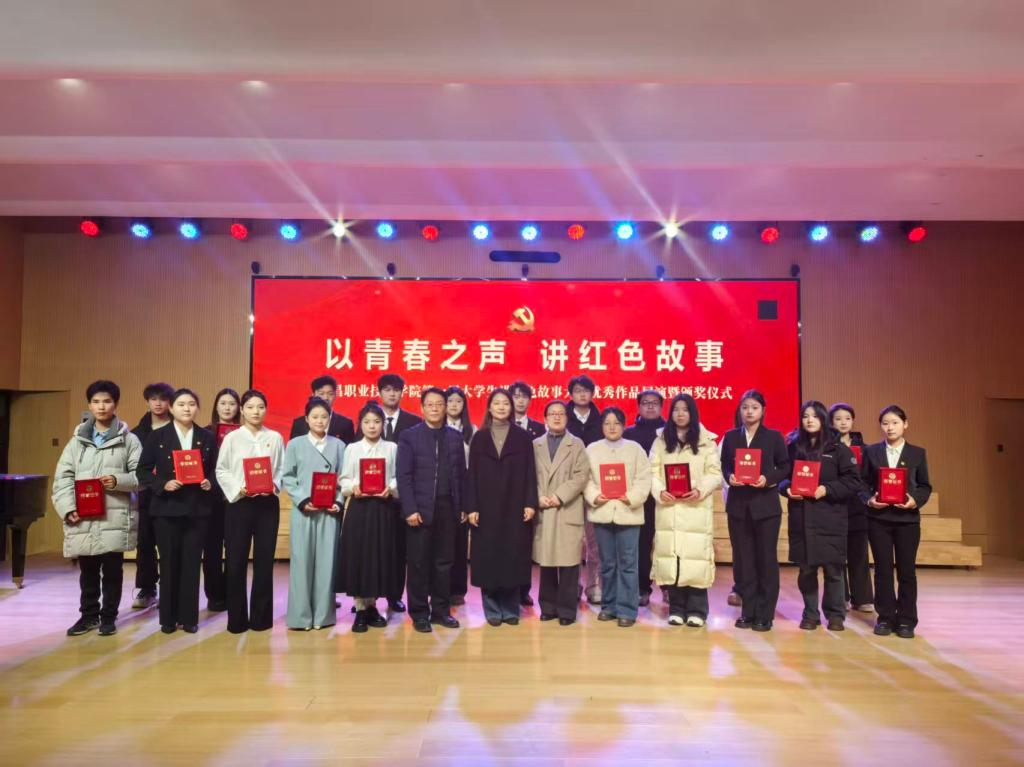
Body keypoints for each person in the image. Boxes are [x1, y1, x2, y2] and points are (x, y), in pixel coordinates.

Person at [52, 381, 142, 636]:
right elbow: (63, 478)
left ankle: (108, 618)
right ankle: (88, 616)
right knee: (88, 571)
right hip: (84, 516)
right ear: (89, 405)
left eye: (107, 401)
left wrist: (117, 480)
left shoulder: (130, 440)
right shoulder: (77, 442)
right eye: (96, 401)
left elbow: (142, 477)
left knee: (112, 571)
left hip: (114, 515)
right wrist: (68, 508)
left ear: (116, 404)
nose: (101, 406)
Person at [136, 388, 215, 634]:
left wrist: (210, 482)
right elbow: (142, 470)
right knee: (169, 563)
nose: (186, 408)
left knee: (191, 564)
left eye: (191, 404)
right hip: (166, 510)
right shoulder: (157, 436)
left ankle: (189, 617)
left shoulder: (206, 437)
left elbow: (217, 469)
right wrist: (163, 484)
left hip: (197, 509)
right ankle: (168, 619)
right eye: (181, 404)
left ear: (197, 408)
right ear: (172, 408)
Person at [780, 401, 860, 632]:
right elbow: (782, 476)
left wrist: (827, 489)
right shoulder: (793, 448)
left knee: (834, 569)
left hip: (831, 517)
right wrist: (787, 489)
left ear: (823, 419)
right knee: (806, 569)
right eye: (805, 416)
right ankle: (810, 613)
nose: (809, 420)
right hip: (802, 517)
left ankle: (835, 615)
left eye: (815, 416)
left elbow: (853, 481)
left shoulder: (838, 449)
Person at [466, 388, 539, 626]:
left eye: (505, 403)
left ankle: (510, 607)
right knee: (488, 556)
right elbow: (471, 475)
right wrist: (472, 506)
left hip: (514, 505)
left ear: (512, 407)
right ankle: (491, 607)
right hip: (485, 507)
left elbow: (530, 473)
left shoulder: (522, 437)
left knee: (512, 556)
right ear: (489, 407)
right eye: (496, 403)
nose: (501, 407)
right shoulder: (480, 437)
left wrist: (530, 502)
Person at [396, 387, 465, 632]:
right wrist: (410, 509)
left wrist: (462, 507)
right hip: (420, 509)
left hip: (448, 507)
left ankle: (441, 611)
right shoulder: (409, 436)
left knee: (444, 562)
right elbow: (403, 476)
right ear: (422, 408)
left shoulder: (455, 437)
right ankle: (419, 613)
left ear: (445, 408)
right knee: (418, 563)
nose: (435, 408)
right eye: (430, 404)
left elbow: (461, 475)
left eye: (439, 404)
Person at [720, 389, 790, 632]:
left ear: (762, 411)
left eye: (754, 407)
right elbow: (725, 464)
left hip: (765, 507)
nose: (749, 412)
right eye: (745, 407)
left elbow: (785, 466)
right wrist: (730, 476)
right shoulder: (731, 437)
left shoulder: (774, 437)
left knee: (766, 560)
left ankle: (765, 613)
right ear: (739, 411)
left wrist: (767, 479)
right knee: (744, 560)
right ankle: (748, 611)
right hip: (738, 507)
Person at [649, 393, 722, 627]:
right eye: (676, 409)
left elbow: (715, 473)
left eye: (685, 409)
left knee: (695, 559)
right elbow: (651, 472)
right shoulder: (661, 440)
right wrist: (660, 491)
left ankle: (697, 611)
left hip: (695, 508)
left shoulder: (706, 441)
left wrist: (701, 490)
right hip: (669, 507)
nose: (680, 414)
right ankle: (676, 609)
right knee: (672, 558)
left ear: (692, 413)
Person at [215, 389, 285, 633]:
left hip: (267, 505)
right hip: (239, 505)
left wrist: (273, 485)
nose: (256, 411)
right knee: (236, 562)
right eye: (251, 407)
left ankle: (261, 619)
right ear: (242, 410)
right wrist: (238, 489)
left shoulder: (275, 437)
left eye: (261, 407)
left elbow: (281, 469)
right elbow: (222, 469)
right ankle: (237, 620)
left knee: (264, 563)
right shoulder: (232, 438)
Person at [860, 405, 931, 639]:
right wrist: (869, 500)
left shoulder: (917, 453)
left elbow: (925, 486)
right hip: (878, 519)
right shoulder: (871, 451)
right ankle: (885, 617)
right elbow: (862, 484)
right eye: (885, 423)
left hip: (907, 521)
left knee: (906, 571)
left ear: (905, 424)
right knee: (882, 570)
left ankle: (907, 620)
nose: (890, 427)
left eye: (895, 422)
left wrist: (914, 501)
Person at [584, 407, 652, 628]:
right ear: (601, 426)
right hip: (602, 513)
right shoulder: (592, 449)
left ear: (623, 425)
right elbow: (586, 479)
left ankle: (627, 609)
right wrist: (595, 496)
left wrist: (631, 497)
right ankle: (609, 606)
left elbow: (644, 478)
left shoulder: (635, 449)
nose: (612, 427)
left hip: (628, 513)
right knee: (607, 563)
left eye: (616, 423)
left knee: (628, 563)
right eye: (607, 423)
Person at [282, 397, 344, 631]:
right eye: (315, 417)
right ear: (306, 419)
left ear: (330, 419)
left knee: (327, 564)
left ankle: (323, 616)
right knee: (301, 563)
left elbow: (343, 478)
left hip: (328, 512)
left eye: (324, 417)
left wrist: (338, 501)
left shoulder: (339, 446)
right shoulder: (295, 444)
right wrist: (302, 500)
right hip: (304, 511)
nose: (320, 421)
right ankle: (300, 617)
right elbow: (288, 476)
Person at [338, 401, 400, 632]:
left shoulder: (392, 448)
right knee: (359, 555)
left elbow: (398, 476)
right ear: (360, 424)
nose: (372, 426)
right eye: (367, 422)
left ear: (383, 424)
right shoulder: (352, 449)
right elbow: (344, 479)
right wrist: (352, 487)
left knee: (378, 555)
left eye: (376, 422)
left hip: (384, 508)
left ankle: (373, 606)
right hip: (359, 508)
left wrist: (390, 488)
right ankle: (360, 608)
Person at [532, 401, 589, 625]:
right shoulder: (535, 444)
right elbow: (529, 474)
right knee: (546, 562)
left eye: (561, 414)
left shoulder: (577, 444)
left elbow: (581, 475)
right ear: (545, 418)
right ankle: (547, 607)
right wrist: (538, 496)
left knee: (568, 563)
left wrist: (559, 495)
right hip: (544, 508)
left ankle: (566, 610)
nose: (556, 417)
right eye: (552, 414)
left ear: (567, 418)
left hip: (567, 507)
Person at [375, 372, 422, 614]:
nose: (392, 394)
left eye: (396, 390)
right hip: (373, 498)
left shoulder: (414, 422)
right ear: (379, 392)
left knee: (400, 549)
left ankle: (394, 596)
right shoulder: (369, 419)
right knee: (374, 548)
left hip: (404, 498)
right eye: (387, 389)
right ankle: (369, 597)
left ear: (402, 393)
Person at [131, 381, 173, 609]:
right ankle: (147, 588)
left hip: (173, 496)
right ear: (147, 401)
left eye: (163, 399)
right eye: (153, 399)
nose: (158, 403)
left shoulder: (179, 429)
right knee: (145, 544)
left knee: (169, 545)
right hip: (146, 496)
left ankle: (169, 589)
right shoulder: (136, 433)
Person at [622, 389, 666, 607]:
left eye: (655, 402)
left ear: (661, 407)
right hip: (640, 497)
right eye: (645, 402)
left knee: (667, 542)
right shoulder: (628, 434)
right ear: (638, 407)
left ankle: (669, 587)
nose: (650, 406)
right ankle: (642, 587)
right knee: (641, 543)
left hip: (667, 496)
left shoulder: (670, 432)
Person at [829, 402, 874, 613]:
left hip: (858, 506)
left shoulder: (866, 449)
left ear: (853, 421)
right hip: (835, 505)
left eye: (847, 418)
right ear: (831, 422)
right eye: (838, 419)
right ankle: (841, 597)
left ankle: (862, 598)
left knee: (859, 553)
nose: (843, 422)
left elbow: (870, 477)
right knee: (837, 554)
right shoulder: (827, 448)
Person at [564, 374, 603, 605]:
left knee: (594, 540)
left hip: (595, 486)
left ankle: (594, 585)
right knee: (571, 540)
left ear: (592, 393)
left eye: (586, 390)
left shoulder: (602, 419)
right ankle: (573, 586)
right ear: (571, 394)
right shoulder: (562, 417)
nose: (582, 394)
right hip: (569, 487)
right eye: (577, 390)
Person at [203, 387, 240, 612]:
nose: (227, 408)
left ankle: (231, 592)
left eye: (232, 404)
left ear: (239, 408)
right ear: (216, 406)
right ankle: (214, 595)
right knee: (212, 550)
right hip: (211, 500)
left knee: (235, 549)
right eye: (223, 403)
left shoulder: (244, 433)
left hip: (237, 498)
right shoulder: (205, 433)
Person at [509, 380, 543, 606]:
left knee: (525, 544)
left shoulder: (539, 428)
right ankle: (509, 587)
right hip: (507, 490)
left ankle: (524, 590)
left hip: (530, 489)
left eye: (524, 396)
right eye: (516, 396)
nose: (520, 401)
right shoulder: (501, 426)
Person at [445, 386, 475, 606]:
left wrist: (467, 502)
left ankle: (457, 590)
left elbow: (473, 468)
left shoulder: (472, 430)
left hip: (463, 490)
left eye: (458, 401)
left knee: (459, 544)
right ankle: (440, 588)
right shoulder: (436, 427)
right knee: (441, 545)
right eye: (450, 401)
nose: (454, 405)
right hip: (442, 491)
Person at [289, 375, 355, 443]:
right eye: (321, 393)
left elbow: (349, 449)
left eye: (330, 394)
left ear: (335, 395)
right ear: (313, 395)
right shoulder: (299, 423)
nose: (326, 398)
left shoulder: (345, 424)